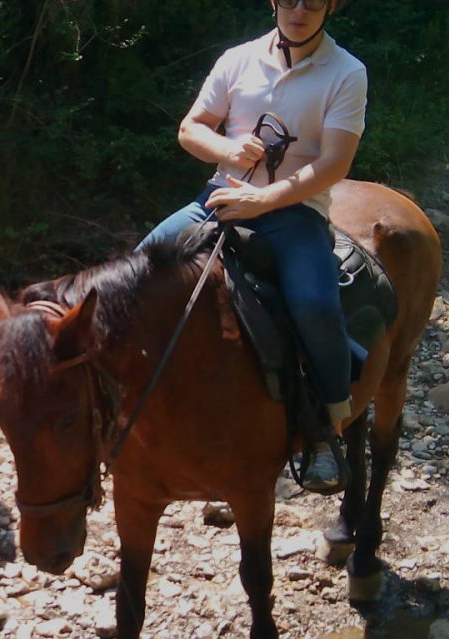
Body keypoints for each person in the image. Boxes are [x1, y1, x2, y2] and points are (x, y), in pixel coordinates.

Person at [139, 0, 365, 494]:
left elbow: (333, 164)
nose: (299, 10)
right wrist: (226, 150)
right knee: (136, 272)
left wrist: (265, 199)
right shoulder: (236, 60)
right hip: (220, 196)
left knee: (315, 305)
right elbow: (190, 128)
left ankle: (329, 429)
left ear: (330, 6)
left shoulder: (347, 72)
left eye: (312, 1)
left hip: (295, 210)